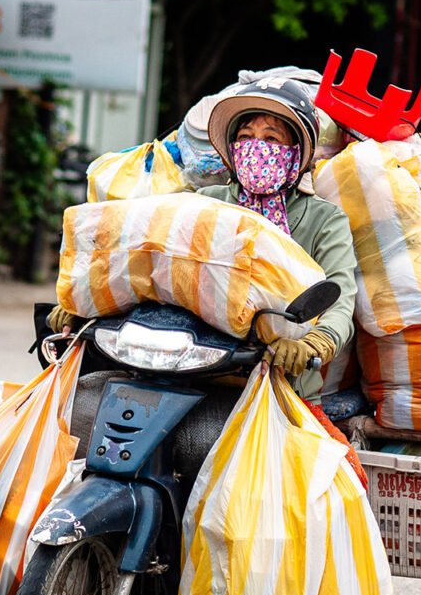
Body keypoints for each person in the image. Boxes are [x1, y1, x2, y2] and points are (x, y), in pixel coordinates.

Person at [49, 77, 365, 480]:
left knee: (338, 480)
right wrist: (82, 303)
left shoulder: (324, 220)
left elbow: (339, 299)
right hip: (192, 370)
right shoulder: (206, 204)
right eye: (247, 135)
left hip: (278, 384)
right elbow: (151, 270)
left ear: (298, 153)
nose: (257, 146)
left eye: (271, 137)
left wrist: (313, 341)